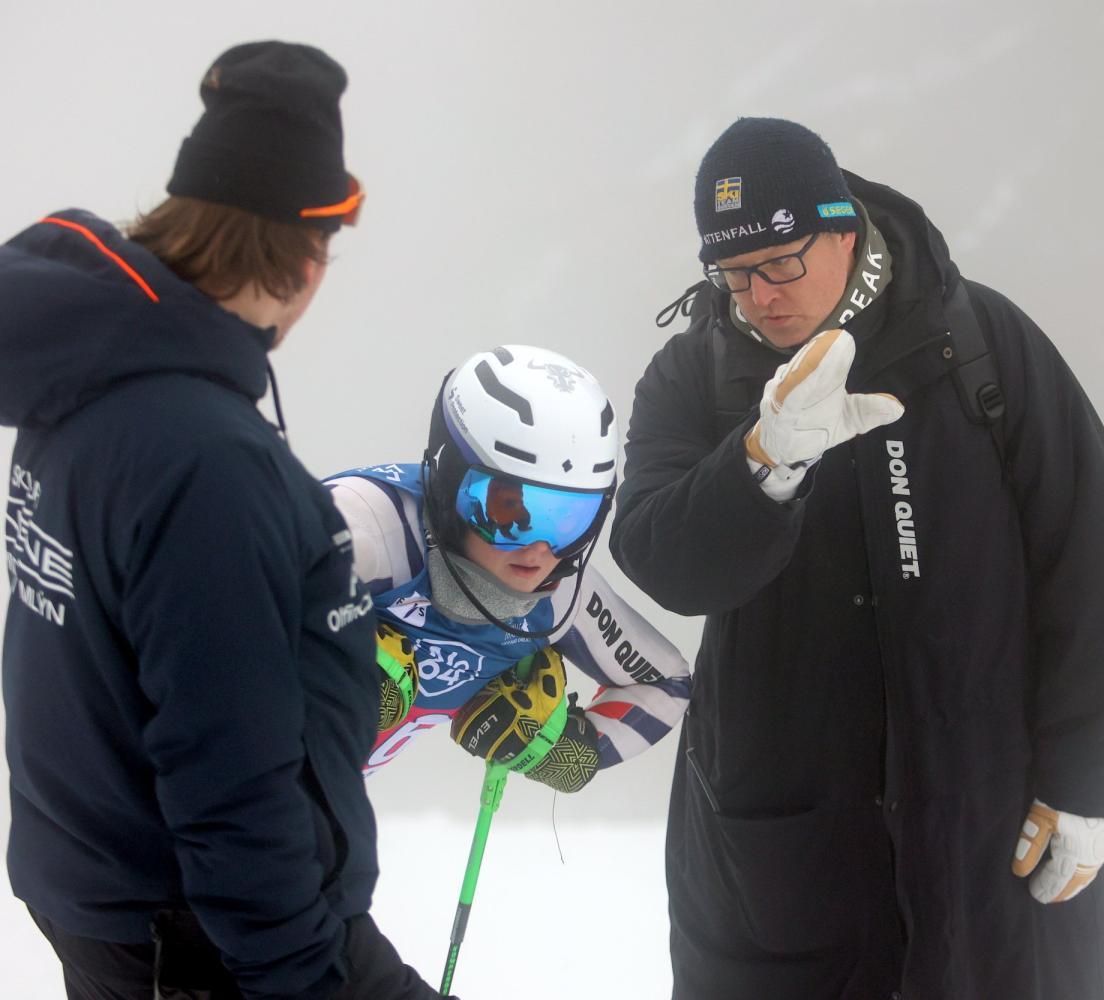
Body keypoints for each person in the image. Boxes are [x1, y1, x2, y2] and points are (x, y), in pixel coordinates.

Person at [609, 117, 1104, 999]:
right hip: (783, 848)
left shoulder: (975, 340)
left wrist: (1086, 775)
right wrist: (762, 462)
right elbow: (662, 561)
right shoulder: (694, 375)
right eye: (733, 273)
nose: (759, 296)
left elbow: (1090, 556)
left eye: (781, 263)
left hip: (990, 832)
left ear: (844, 231)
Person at [1, 42, 445, 999]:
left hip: (114, 906)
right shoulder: (204, 461)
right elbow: (228, 773)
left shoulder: (83, 388)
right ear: (305, 252)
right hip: (219, 940)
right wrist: (301, 974)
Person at [324, 344, 691, 789]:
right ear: (448, 480)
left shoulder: (559, 599)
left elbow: (666, 684)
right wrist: (315, 663)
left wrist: (563, 751)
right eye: (507, 507)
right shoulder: (366, 530)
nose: (538, 550)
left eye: (570, 518)